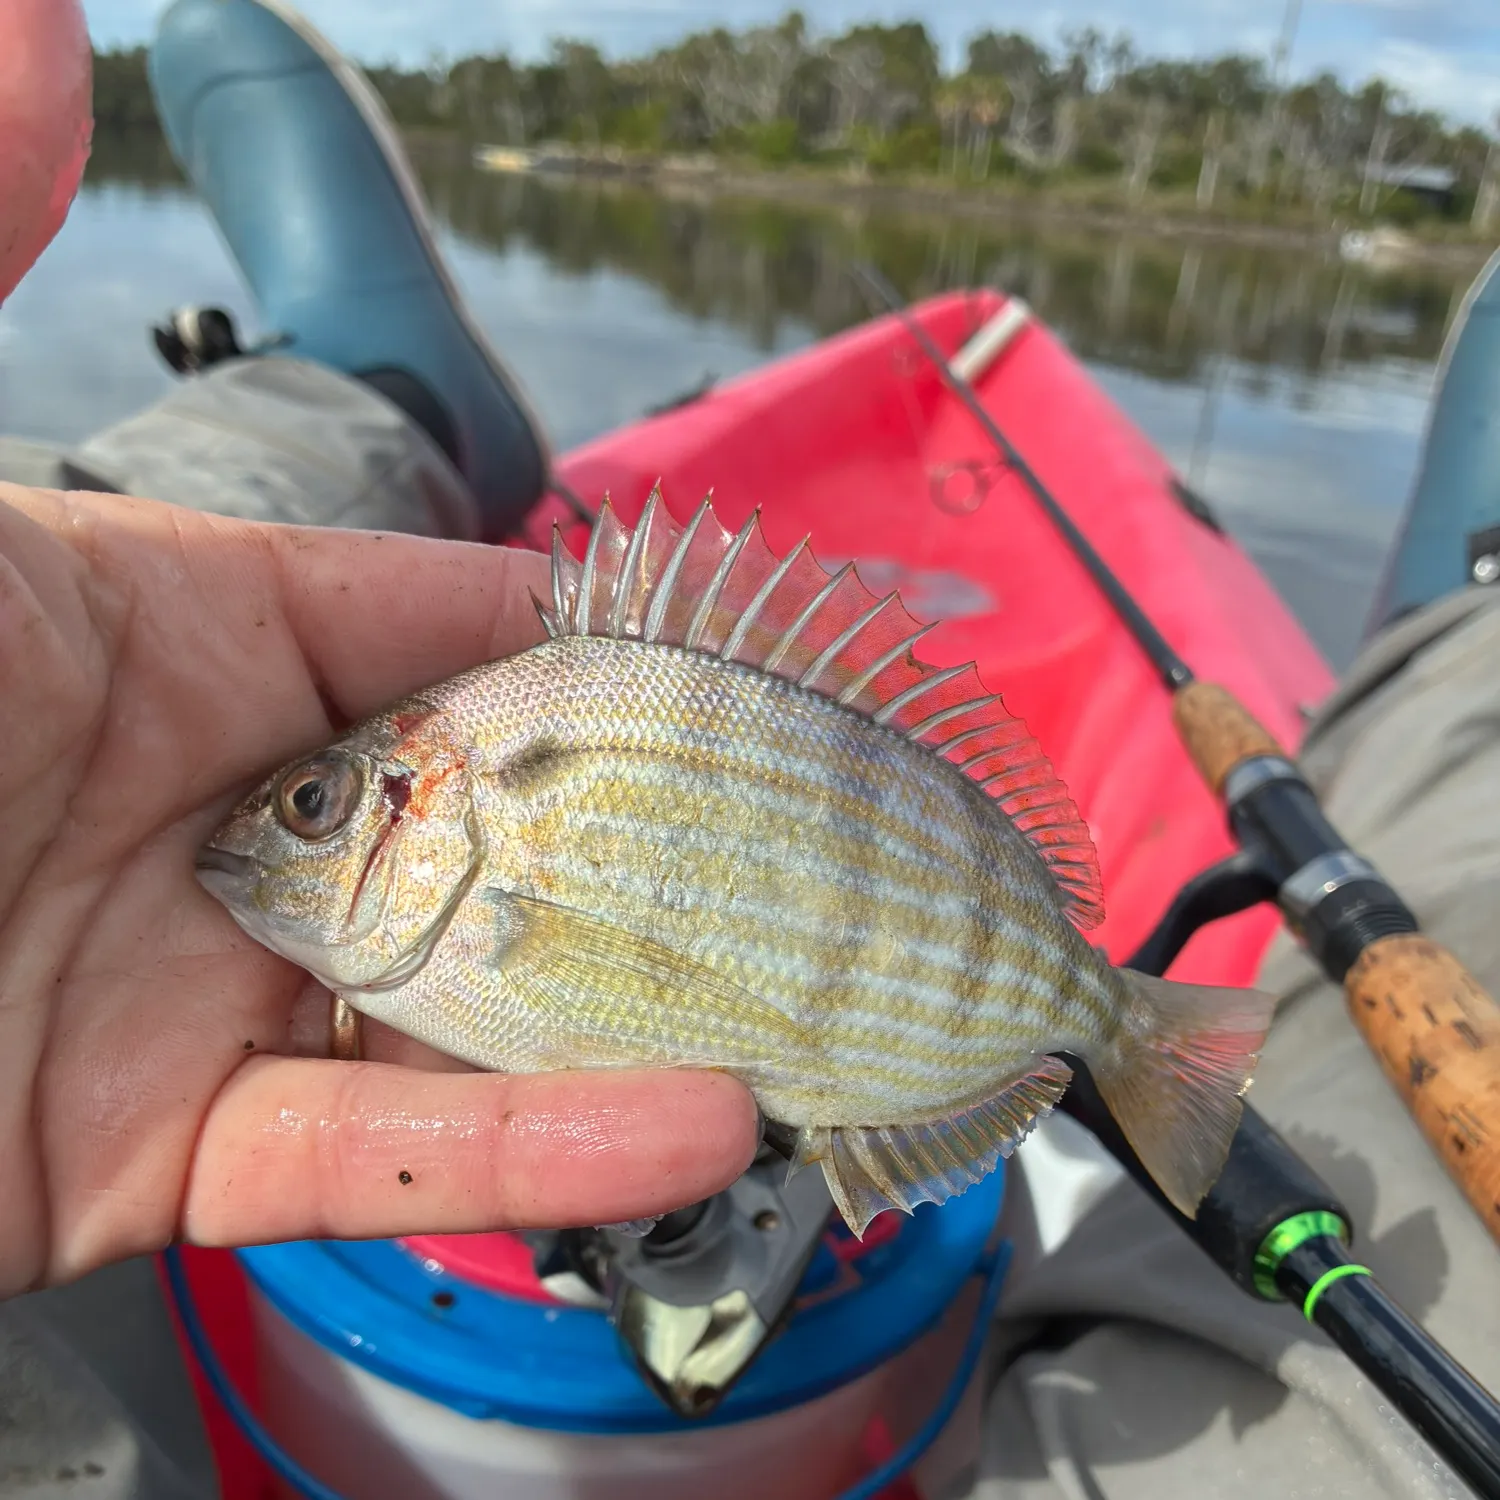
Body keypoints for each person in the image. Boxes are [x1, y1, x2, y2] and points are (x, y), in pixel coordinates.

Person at [1, 3, 1497, 1499]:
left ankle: (367, 387)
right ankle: (1464, 627)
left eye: (321, 805)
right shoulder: (482, 805)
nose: (275, 831)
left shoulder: (498, 815)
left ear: (428, 800)